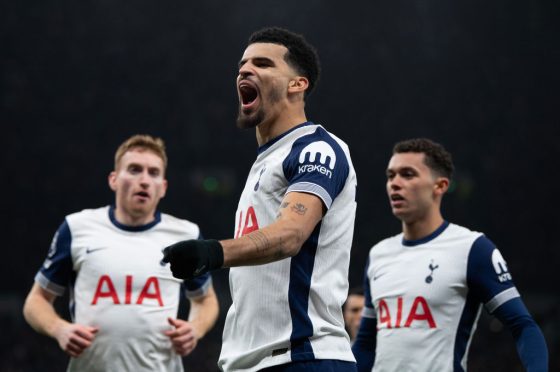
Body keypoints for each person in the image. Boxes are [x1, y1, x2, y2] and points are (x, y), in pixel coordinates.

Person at [162, 27, 358, 371]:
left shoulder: (316, 148)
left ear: (297, 84)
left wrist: (212, 252)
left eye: (263, 63)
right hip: (251, 361)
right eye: (242, 64)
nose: (245, 70)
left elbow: (290, 235)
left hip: (301, 356)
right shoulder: (266, 161)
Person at [23, 134, 219, 372]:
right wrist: (59, 328)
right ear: (114, 179)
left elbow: (206, 299)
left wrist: (195, 328)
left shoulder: (185, 234)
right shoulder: (76, 228)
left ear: (163, 187)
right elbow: (36, 300)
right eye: (135, 170)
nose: (144, 180)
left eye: (153, 173)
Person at [352, 138, 548, 372]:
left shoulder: (472, 248)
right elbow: (365, 344)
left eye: (408, 174)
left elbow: (522, 325)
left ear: (440, 185)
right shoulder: (379, 254)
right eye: (390, 175)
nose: (395, 183)